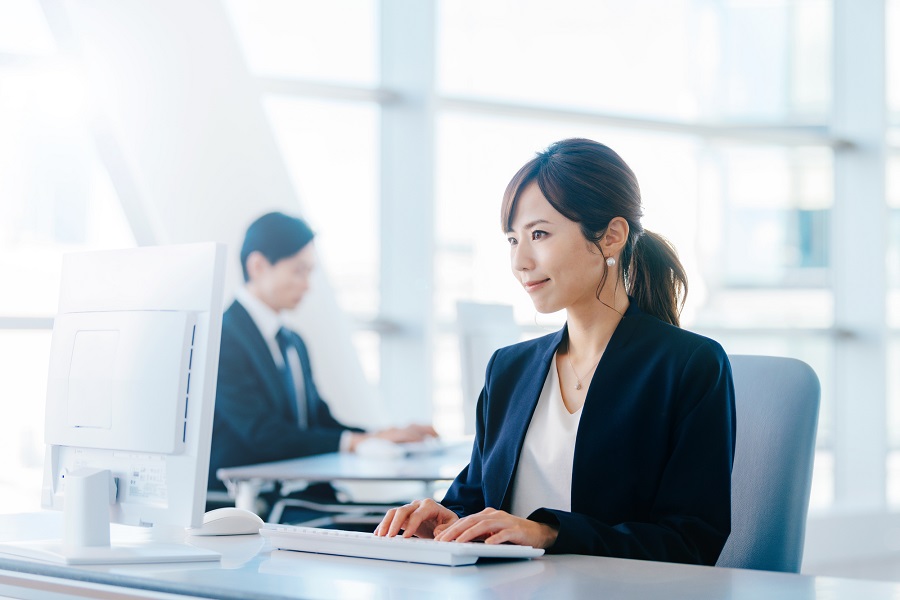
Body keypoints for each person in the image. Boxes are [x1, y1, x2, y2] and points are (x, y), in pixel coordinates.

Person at [375, 138, 736, 565]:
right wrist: (446, 519)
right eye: (513, 240)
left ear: (612, 237)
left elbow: (690, 542)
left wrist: (549, 533)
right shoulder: (509, 369)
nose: (520, 261)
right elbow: (476, 499)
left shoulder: (689, 366)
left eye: (539, 234)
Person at [208, 212, 436, 496]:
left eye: (309, 272)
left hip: (296, 493)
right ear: (258, 266)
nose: (307, 284)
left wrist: (380, 436)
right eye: (298, 271)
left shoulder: (293, 341)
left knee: (406, 512)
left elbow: (318, 421)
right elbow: (262, 433)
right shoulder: (222, 337)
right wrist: (356, 442)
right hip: (244, 502)